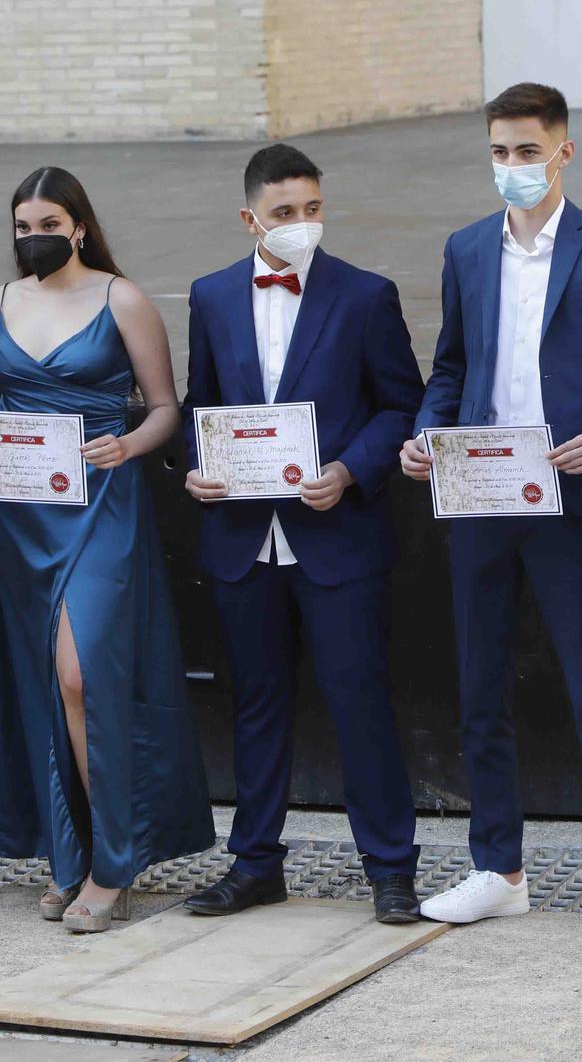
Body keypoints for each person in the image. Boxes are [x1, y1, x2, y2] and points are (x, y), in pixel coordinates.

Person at [401, 82, 582, 937]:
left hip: (573, 492)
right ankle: (498, 866)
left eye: (527, 150)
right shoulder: (467, 249)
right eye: (499, 152)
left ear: (563, 151)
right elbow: (450, 365)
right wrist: (423, 432)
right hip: (481, 492)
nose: (512, 166)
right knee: (481, 686)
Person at [0, 167, 214, 934]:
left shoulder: (120, 297)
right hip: (17, 513)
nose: (34, 236)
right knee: (39, 680)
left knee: (82, 672)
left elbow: (167, 406)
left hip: (101, 504)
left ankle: (115, 859)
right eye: (22, 224)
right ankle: (72, 855)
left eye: (49, 222)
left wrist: (127, 444)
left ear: (80, 226)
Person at [178, 145, 427, 925]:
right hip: (243, 537)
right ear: (251, 217)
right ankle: (255, 863)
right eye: (286, 213)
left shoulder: (365, 295)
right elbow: (201, 406)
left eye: (313, 208)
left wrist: (351, 469)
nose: (303, 224)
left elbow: (400, 406)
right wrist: (197, 467)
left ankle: (390, 869)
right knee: (255, 704)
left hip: (338, 534)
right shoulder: (212, 295)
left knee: (361, 704)